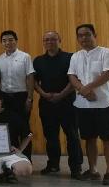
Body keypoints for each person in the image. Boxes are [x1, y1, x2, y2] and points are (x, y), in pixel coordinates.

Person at [68, 24, 109, 185]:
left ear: (94, 35)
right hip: (82, 105)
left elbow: (108, 73)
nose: (84, 38)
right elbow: (72, 76)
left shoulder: (106, 53)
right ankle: (93, 170)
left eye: (87, 34)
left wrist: (87, 87)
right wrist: (82, 89)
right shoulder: (76, 56)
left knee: (108, 139)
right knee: (89, 139)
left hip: (103, 104)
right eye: (80, 35)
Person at [33, 31, 83, 178]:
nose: (49, 42)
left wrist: (61, 95)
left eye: (53, 39)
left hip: (68, 103)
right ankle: (53, 165)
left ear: (59, 40)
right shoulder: (38, 60)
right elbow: (34, 82)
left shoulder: (71, 57)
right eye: (46, 40)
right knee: (51, 136)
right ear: (43, 42)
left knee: (72, 135)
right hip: (47, 103)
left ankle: (76, 168)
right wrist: (43, 94)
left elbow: (75, 79)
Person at [0, 30, 34, 159]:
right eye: (4, 41)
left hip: (21, 97)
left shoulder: (25, 57)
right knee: (9, 128)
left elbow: (30, 77)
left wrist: (29, 98)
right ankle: (11, 158)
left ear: (16, 41)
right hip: (5, 97)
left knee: (24, 129)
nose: (7, 43)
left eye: (10, 40)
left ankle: (26, 158)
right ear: (1, 43)